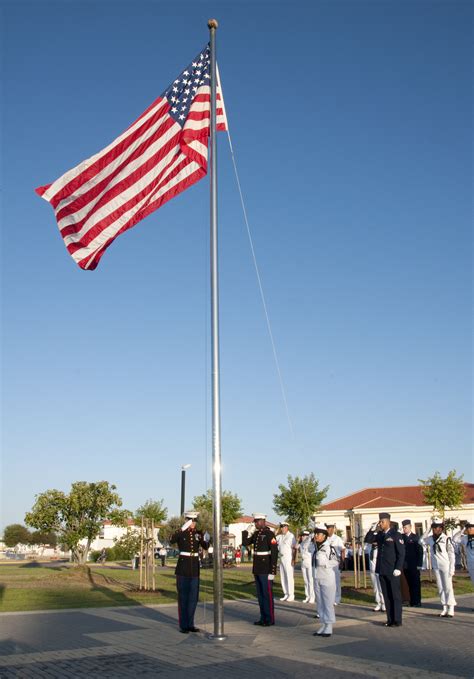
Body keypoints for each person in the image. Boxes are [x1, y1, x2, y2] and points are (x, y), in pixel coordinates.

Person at [170, 511, 209, 633]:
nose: (194, 523)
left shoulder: (198, 534)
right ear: (187, 521)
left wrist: (205, 538)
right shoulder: (181, 533)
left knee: (193, 597)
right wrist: (182, 528)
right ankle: (184, 625)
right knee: (183, 597)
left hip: (194, 568)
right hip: (183, 568)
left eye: (194, 521)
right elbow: (172, 540)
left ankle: (191, 623)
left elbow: (206, 546)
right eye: (191, 521)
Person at [365, 512, 405, 627]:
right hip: (382, 570)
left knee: (395, 596)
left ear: (388, 522)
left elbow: (401, 553)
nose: (380, 524)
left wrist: (398, 568)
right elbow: (368, 540)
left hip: (392, 570)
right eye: (380, 522)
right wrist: (372, 529)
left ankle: (397, 620)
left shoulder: (396, 535)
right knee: (386, 596)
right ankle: (390, 619)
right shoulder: (380, 535)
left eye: (382, 522)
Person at [242, 513, 278, 626]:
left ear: (263, 521)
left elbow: (274, 553)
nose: (255, 524)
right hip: (257, 568)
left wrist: (272, 571)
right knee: (260, 595)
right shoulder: (256, 534)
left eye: (257, 521)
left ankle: (270, 619)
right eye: (255, 522)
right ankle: (263, 617)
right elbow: (245, 543)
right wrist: (246, 532)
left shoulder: (269, 534)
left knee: (267, 594)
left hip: (266, 568)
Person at [422, 518, 456, 618]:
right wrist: (427, 530)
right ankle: (444, 607)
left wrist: (452, 568)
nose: (436, 530)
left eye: (437, 528)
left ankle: (451, 608)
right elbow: (421, 541)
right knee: (441, 587)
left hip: (445, 565)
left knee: (448, 587)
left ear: (441, 528)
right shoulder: (430, 539)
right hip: (436, 566)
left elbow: (451, 555)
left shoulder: (446, 539)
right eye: (434, 528)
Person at [312, 524, 338, 637]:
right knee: (320, 603)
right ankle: (323, 623)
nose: (316, 536)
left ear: (324, 536)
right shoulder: (315, 547)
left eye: (318, 534)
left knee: (328, 603)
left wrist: (325, 564)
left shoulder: (328, 547)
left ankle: (329, 626)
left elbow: (336, 561)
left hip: (327, 578)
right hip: (317, 577)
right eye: (316, 533)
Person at [401, 519, 423, 607]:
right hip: (405, 565)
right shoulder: (402, 537)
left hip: (414, 565)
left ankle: (417, 601)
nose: (404, 529)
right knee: (408, 583)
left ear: (410, 527)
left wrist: (419, 564)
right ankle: (409, 600)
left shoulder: (415, 537)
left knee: (415, 583)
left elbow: (420, 551)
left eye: (406, 527)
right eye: (403, 527)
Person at [276, 521, 297, 602]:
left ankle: (291, 594)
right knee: (283, 576)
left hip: (288, 558)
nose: (282, 528)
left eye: (283, 527)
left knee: (289, 576)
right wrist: (277, 531)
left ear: (287, 527)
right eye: (281, 527)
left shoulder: (291, 536)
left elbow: (294, 549)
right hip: (281, 558)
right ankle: (286, 593)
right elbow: (273, 538)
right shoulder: (280, 536)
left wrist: (293, 559)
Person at [325, 523, 345, 605]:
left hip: (335, 562)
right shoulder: (325, 538)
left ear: (333, 529)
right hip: (326, 562)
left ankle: (337, 598)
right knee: (328, 581)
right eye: (327, 528)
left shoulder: (337, 539)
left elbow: (343, 550)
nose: (328, 530)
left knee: (336, 581)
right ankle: (330, 597)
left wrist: (342, 562)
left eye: (329, 528)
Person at [365, 541, 385, 612]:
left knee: (381, 587)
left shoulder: (380, 548)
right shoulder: (369, 547)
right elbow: (367, 538)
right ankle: (378, 603)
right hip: (372, 570)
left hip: (379, 570)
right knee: (375, 588)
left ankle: (383, 603)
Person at [298, 530, 315, 603]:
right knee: (305, 581)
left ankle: (312, 597)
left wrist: (310, 536)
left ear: (307, 536)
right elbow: (295, 546)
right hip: (303, 562)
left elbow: (310, 538)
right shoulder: (301, 544)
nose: (302, 537)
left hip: (309, 562)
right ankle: (307, 596)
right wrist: (298, 540)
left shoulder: (310, 543)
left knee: (310, 580)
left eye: (304, 535)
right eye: (302, 535)